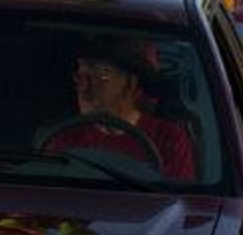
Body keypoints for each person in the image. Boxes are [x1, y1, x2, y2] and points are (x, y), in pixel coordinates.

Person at [45, 42, 195, 181]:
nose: (84, 88)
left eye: (100, 76)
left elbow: (176, 199)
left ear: (130, 84)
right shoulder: (64, 137)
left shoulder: (168, 137)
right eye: (81, 76)